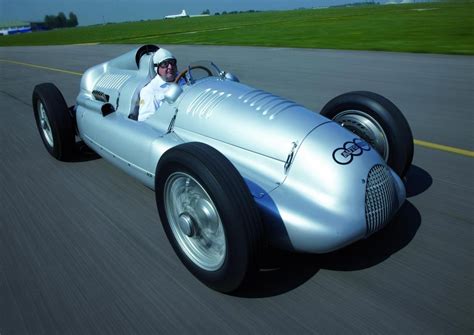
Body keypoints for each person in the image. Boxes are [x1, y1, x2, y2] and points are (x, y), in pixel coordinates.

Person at [138, 48, 180, 121]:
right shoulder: (149, 91)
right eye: (164, 64)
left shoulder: (187, 79)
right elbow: (146, 121)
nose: (170, 67)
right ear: (156, 68)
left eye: (172, 62)